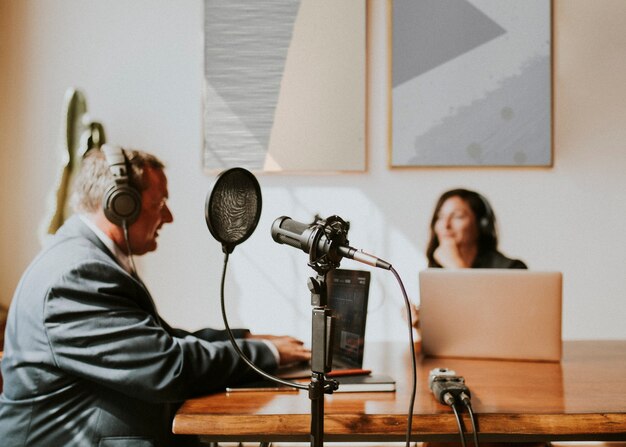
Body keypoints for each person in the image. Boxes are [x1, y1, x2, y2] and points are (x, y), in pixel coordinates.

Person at [0, 146, 310, 447]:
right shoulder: (77, 275)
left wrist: (249, 339)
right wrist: (266, 353)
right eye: (159, 203)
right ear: (121, 205)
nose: (169, 216)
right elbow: (166, 367)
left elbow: (159, 341)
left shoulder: (86, 259)